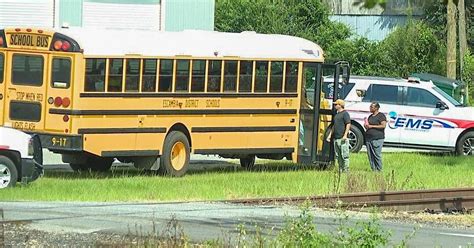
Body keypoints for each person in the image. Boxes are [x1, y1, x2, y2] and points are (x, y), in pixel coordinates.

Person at [327, 99, 351, 172]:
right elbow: (334, 126)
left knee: (344, 155)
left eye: (336, 104)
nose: (334, 106)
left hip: (342, 138)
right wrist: (330, 135)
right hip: (336, 138)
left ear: (340, 105)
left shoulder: (345, 114)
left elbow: (348, 124)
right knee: (338, 155)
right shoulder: (337, 115)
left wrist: (345, 135)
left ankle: (346, 169)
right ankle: (341, 169)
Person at [364, 102, 387, 172]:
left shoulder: (381, 116)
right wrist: (366, 126)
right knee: (370, 156)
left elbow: (383, 126)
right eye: (370, 106)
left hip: (377, 138)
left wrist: (372, 126)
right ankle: (374, 170)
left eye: (372, 107)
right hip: (369, 138)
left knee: (377, 155)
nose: (370, 108)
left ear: (376, 108)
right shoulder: (370, 116)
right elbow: (368, 126)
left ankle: (379, 170)